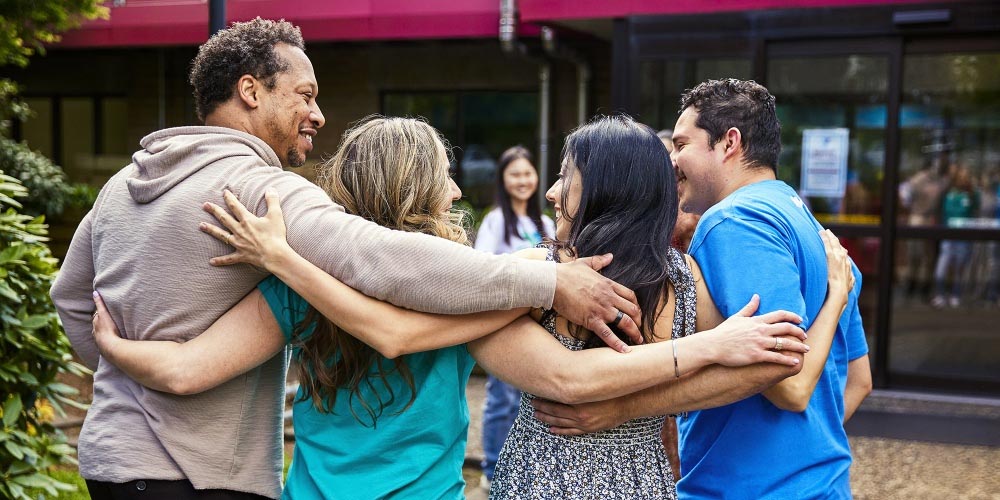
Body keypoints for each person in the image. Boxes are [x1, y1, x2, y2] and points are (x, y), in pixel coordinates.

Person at [49, 19, 643, 500]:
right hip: (202, 469)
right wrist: (546, 281)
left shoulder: (120, 186)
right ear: (251, 91)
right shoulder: (265, 190)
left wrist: (117, 362)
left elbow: (73, 301)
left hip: (111, 456)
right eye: (305, 96)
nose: (319, 114)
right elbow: (379, 259)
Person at [90, 115, 823, 499]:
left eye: (564, 176)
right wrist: (705, 350)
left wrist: (113, 349)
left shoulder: (314, 288)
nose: (455, 191)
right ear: (416, 188)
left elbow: (185, 370)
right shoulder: (489, 282)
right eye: (444, 175)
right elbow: (405, 334)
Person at [530, 80, 872, 499]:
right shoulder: (818, 235)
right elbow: (860, 381)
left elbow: (790, 384)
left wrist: (621, 409)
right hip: (826, 484)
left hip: (749, 489)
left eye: (681, 145)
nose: (672, 161)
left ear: (729, 143)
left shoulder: (733, 222)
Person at [473, 145, 555, 489]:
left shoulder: (545, 223)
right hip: (504, 326)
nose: (522, 180)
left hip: (540, 330)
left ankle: (523, 472)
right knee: (502, 400)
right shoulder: (495, 221)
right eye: (514, 174)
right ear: (503, 180)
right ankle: (493, 472)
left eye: (527, 173)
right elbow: (480, 268)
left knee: (534, 401)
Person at [931, 164, 979, 308]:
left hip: (963, 235)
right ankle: (940, 295)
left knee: (959, 268)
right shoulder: (949, 193)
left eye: (966, 177)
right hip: (948, 234)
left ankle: (955, 295)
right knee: (941, 268)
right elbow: (946, 211)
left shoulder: (972, 194)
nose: (964, 179)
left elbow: (973, 210)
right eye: (962, 177)